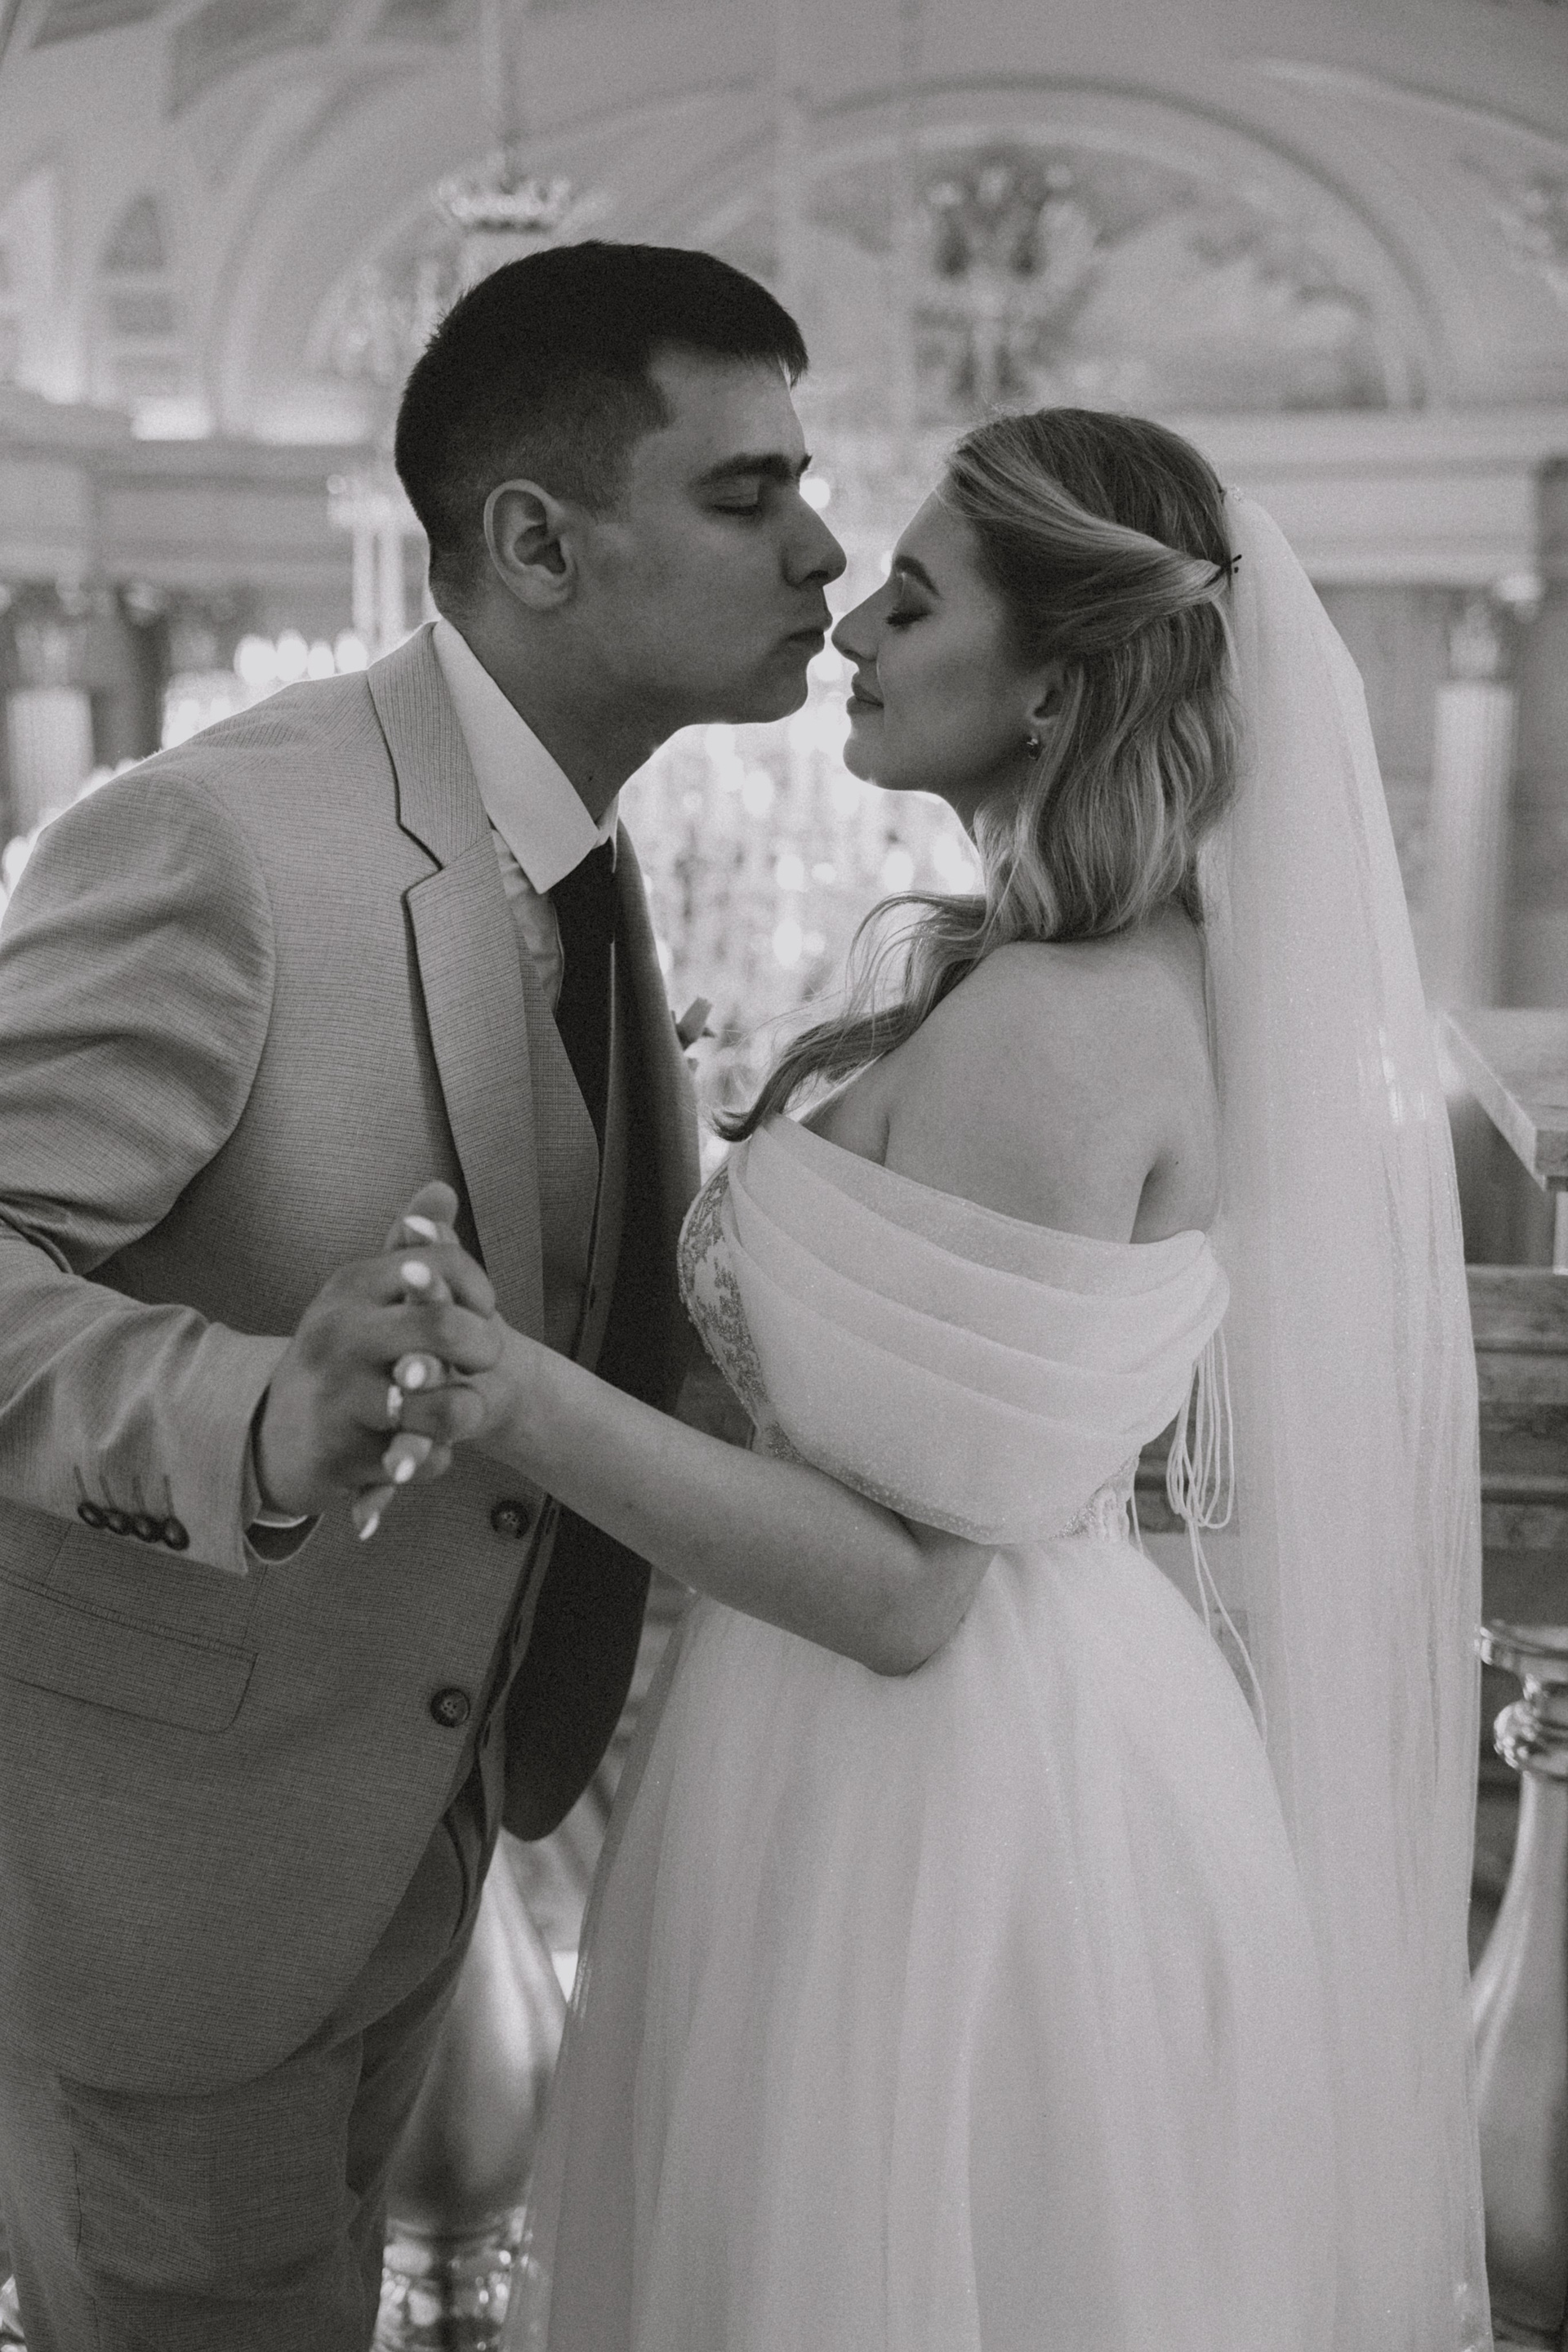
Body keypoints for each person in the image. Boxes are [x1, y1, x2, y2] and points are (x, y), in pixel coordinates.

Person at [364, 410, 1490, 2350]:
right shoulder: (1071, 975)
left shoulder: (1063, 1025)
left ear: (1054, 685)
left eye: (913, 596)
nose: (851, 629)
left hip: (946, 1814)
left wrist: (506, 1389)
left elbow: (903, 1588)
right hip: (925, 1746)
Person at [0, 240, 844, 2350]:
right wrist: (255, 1416)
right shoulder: (217, 838)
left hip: (407, 1840)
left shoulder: (577, 848)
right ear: (539, 542)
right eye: (747, 493)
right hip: (160, 1890)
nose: (825, 552)